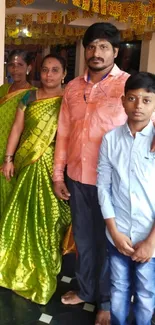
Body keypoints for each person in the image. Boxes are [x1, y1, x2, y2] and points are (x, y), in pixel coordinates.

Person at [53, 22, 130, 325]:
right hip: (77, 178)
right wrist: (59, 175)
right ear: (85, 49)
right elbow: (63, 134)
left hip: (113, 182)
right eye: (92, 46)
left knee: (111, 243)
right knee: (84, 241)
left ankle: (109, 302)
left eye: (103, 46)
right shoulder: (72, 87)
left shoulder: (128, 87)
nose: (96, 52)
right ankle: (86, 290)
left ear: (115, 52)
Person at [0, 54, 71, 304]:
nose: (49, 75)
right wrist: (8, 159)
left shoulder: (69, 99)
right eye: (44, 70)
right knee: (19, 213)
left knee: (46, 218)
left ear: (64, 73)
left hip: (55, 166)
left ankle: (43, 264)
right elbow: (17, 129)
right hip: (26, 162)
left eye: (54, 70)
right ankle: (15, 264)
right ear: (38, 72)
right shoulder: (28, 97)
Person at [97, 72, 155, 325]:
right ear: (123, 101)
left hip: (149, 237)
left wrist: (151, 242)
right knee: (118, 288)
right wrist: (114, 232)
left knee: (145, 293)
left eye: (146, 100)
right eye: (132, 98)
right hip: (118, 232)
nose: (138, 106)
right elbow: (103, 188)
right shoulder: (110, 140)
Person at [0, 49, 33, 216]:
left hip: (14, 149)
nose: (15, 69)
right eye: (11, 65)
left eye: (20, 65)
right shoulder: (3, 89)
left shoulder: (33, 94)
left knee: (9, 188)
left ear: (28, 68)